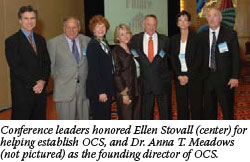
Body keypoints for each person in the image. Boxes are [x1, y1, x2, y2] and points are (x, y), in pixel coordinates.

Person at [5, 5, 51, 120]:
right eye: (26, 18)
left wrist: (43, 81)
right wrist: (34, 84)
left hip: (40, 93)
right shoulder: (12, 41)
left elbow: (46, 63)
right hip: (23, 95)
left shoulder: (41, 40)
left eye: (32, 18)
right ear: (20, 21)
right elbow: (16, 67)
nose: (30, 22)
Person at [197, 7, 241, 119]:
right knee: (209, 113)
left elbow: (236, 57)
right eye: (209, 16)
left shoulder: (230, 34)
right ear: (206, 19)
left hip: (225, 80)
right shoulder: (201, 36)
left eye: (215, 15)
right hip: (207, 80)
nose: (212, 19)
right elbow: (199, 58)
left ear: (220, 18)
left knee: (227, 112)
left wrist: (235, 77)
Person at [47, 17, 90, 120]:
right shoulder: (54, 43)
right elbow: (50, 67)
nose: (71, 30)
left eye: (74, 27)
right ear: (64, 28)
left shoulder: (87, 41)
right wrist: (62, 80)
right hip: (64, 90)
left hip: (83, 91)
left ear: (79, 28)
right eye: (68, 27)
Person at [130, 15, 172, 120]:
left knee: (165, 114)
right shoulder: (135, 39)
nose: (151, 27)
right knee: (146, 115)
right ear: (143, 25)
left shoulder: (165, 40)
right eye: (148, 24)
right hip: (145, 84)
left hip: (162, 83)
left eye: (154, 24)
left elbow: (168, 60)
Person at [170, 11, 203, 120]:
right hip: (180, 78)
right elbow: (173, 59)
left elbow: (199, 59)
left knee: (196, 107)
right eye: (180, 20)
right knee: (181, 106)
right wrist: (179, 76)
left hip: (194, 77)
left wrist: (188, 75)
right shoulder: (173, 40)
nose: (183, 22)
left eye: (185, 20)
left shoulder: (196, 38)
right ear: (177, 23)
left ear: (189, 23)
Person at [86, 15, 114, 120]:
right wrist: (101, 91)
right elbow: (94, 71)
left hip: (106, 87)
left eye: (103, 27)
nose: (101, 29)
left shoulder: (103, 43)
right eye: (98, 26)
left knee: (105, 117)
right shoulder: (93, 45)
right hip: (98, 91)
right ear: (93, 29)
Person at [112, 24, 141, 120]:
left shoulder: (132, 49)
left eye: (127, 33)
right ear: (117, 37)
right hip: (125, 91)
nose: (126, 36)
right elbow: (116, 74)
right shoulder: (116, 51)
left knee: (136, 118)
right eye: (122, 34)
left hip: (136, 89)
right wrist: (124, 94)